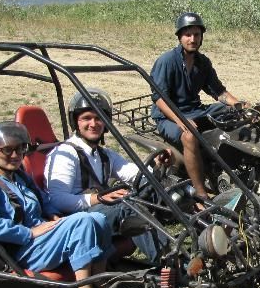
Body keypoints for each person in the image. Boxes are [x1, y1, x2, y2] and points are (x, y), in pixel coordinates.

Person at [0, 121, 111, 288]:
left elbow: (43, 199)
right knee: (82, 221)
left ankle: (99, 280)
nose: (15, 155)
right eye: (7, 150)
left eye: (20, 149)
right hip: (21, 250)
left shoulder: (19, 176)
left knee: (98, 218)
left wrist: (52, 214)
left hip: (41, 239)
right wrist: (27, 232)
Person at [45, 88, 169, 263]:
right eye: (86, 118)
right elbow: (56, 199)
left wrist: (157, 167)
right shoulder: (66, 154)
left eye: (98, 118)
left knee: (154, 186)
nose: (93, 124)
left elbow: (133, 173)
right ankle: (169, 260)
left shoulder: (103, 154)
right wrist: (98, 198)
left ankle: (205, 234)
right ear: (76, 122)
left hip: (101, 211)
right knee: (128, 206)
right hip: (77, 219)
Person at [150, 12, 250, 199]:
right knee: (189, 137)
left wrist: (239, 104)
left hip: (195, 110)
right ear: (180, 37)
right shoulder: (167, 61)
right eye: (188, 35)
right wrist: (181, 120)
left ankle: (239, 170)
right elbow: (159, 98)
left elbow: (218, 92)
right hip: (168, 115)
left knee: (237, 115)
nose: (192, 39)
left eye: (197, 34)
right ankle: (201, 194)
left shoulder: (203, 62)